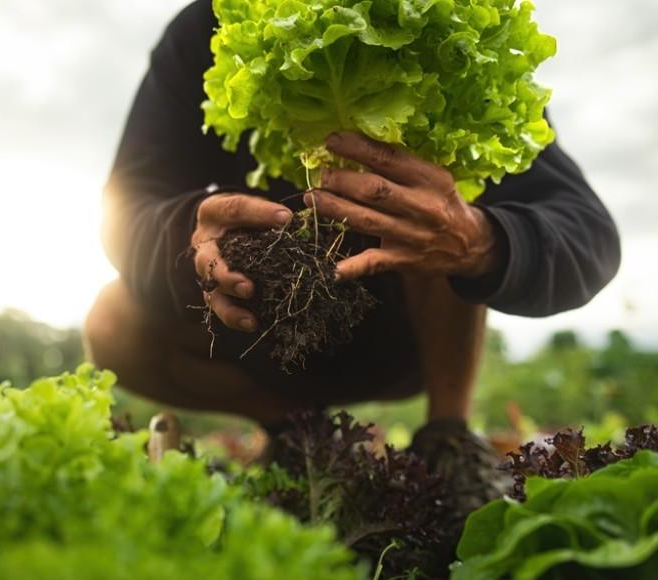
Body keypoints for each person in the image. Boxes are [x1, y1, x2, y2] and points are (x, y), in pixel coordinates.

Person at [85, 0, 620, 510]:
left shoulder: (447, 21)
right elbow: (127, 208)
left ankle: (449, 441)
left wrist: (479, 238)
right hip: (261, 334)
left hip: (410, 338)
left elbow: (588, 234)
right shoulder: (209, 27)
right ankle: (299, 433)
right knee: (111, 324)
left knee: (443, 197)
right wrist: (189, 235)